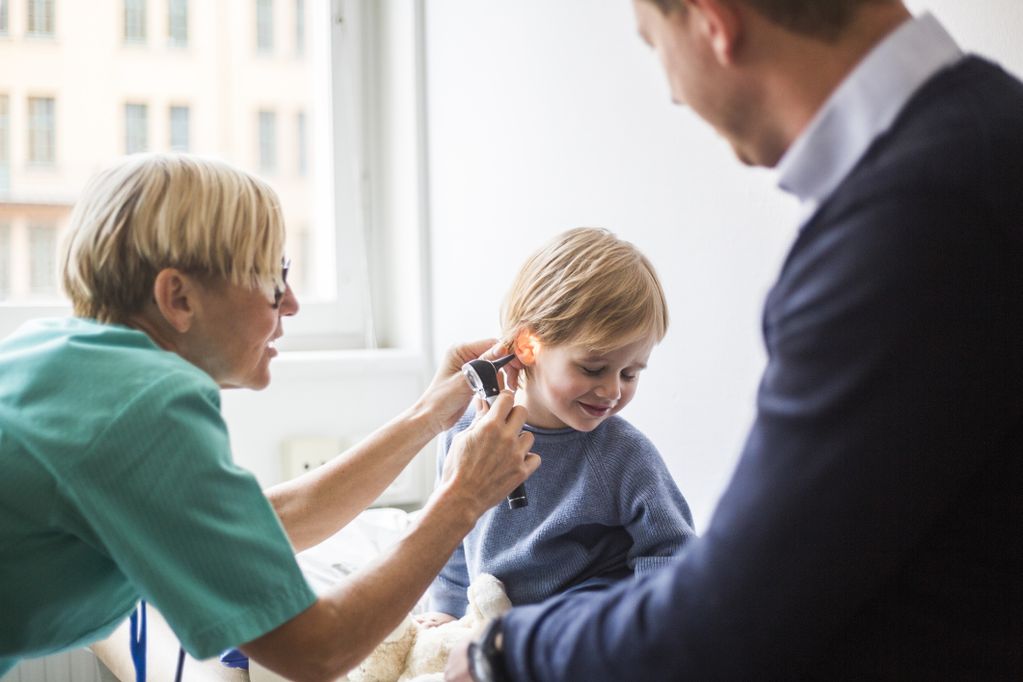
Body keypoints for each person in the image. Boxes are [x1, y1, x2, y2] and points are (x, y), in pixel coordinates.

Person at [448, 1, 1023, 679]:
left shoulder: (910, 222)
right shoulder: (989, 138)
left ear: (712, 21)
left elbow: (730, 614)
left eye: (653, 43)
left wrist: (505, 648)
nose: (668, 89)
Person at [0, 153, 539, 681]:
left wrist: (427, 416)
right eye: (275, 279)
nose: (293, 304)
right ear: (178, 297)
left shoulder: (59, 353)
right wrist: (461, 500)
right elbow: (315, 652)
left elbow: (257, 527)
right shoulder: (145, 407)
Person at [421, 227, 695, 623]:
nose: (612, 390)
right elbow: (447, 534)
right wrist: (448, 611)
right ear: (528, 346)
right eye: (593, 368)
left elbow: (673, 554)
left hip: (581, 628)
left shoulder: (624, 453)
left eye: (630, 374)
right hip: (491, 617)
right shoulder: (466, 433)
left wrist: (645, 628)